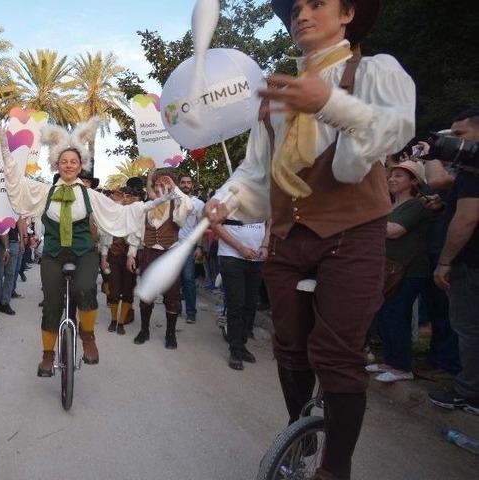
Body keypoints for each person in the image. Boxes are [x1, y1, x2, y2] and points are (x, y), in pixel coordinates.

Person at [204, 1, 415, 478]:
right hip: (286, 237)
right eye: (296, 6)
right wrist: (226, 200)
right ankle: (298, 434)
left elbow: (397, 126)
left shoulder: (374, 71)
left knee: (338, 358)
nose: (301, 13)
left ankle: (333, 469)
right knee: (290, 350)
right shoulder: (277, 94)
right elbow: (255, 171)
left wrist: (328, 103)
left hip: (352, 233)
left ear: (347, 14)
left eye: (317, 3)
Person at [0, 118, 170, 375]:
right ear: (56, 165)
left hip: (84, 253)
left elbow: (120, 213)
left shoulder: (90, 195)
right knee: (52, 304)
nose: (69, 165)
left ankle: (88, 337)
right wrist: (5, 151)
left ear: (81, 166)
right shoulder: (45, 192)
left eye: (74, 162)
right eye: (64, 162)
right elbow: (16, 183)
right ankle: (47, 355)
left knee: (85, 289)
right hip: (54, 254)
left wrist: (150, 204)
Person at [427, 109, 479, 415]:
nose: (454, 144)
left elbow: (467, 218)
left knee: (469, 329)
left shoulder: (474, 170)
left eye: (460, 136)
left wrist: (445, 262)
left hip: (469, 264)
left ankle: (467, 394)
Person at [366, 160, 431, 382]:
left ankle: (402, 366)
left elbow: (394, 231)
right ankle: (391, 361)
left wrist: (366, 223)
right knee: (385, 314)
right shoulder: (391, 205)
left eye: (399, 176)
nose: (392, 179)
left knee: (395, 314)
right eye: (391, 175)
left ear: (414, 181)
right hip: (390, 269)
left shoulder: (415, 205)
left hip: (409, 271)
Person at [127, 169, 193, 349]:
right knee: (146, 294)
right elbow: (136, 231)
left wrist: (175, 189)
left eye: (165, 183)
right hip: (148, 253)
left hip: (169, 254)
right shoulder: (146, 206)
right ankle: (144, 330)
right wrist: (132, 253)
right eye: (158, 184)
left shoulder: (178, 205)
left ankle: (170, 334)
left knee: (172, 296)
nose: (161, 187)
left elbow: (188, 206)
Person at [213, 219, 268, 369]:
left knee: (250, 305)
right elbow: (215, 223)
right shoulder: (227, 195)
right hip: (232, 257)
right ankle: (235, 350)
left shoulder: (264, 198)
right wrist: (239, 247)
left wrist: (265, 245)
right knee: (236, 304)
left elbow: (270, 223)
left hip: (256, 259)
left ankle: (242, 344)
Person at [102, 186, 138, 335]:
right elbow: (106, 237)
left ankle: (122, 322)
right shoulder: (114, 214)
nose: (125, 199)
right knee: (114, 290)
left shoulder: (137, 215)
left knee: (128, 291)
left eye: (129, 196)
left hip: (131, 257)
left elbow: (138, 239)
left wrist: (133, 255)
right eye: (123, 196)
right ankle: (113, 320)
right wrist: (104, 258)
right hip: (114, 255)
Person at [178, 173, 206, 324]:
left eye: (188, 182)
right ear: (179, 184)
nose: (186, 185)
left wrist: (200, 247)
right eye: (183, 182)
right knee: (174, 280)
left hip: (189, 246)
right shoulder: (173, 201)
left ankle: (190, 312)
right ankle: (175, 309)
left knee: (188, 279)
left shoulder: (199, 204)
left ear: (192, 185)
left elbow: (201, 227)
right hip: (173, 245)